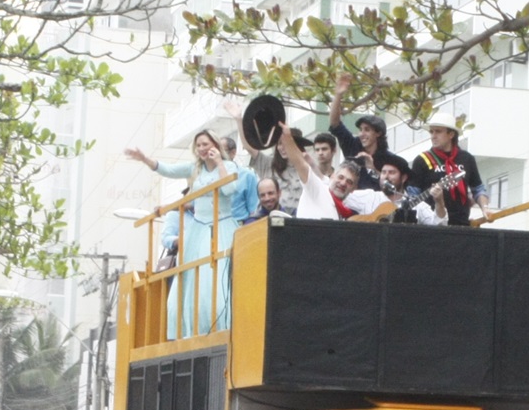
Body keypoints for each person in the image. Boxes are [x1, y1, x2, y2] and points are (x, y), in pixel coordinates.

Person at [127, 130, 256, 336]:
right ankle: (191, 328)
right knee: (190, 278)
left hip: (220, 224)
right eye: (198, 146)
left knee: (215, 278)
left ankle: (221, 325)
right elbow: (168, 169)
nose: (202, 149)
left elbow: (229, 190)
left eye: (205, 144)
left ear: (215, 144)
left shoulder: (230, 166)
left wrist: (220, 164)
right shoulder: (195, 168)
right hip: (198, 227)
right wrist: (145, 159)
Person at [278, 125, 386, 220]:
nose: (343, 183)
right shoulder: (318, 189)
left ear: (353, 189)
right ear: (332, 176)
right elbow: (300, 164)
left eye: (349, 182)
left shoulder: (345, 211)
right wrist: (287, 139)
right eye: (340, 177)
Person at [410, 110, 491, 226]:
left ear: (451, 134)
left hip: (461, 224)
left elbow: (478, 189)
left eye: (438, 132)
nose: (433, 136)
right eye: (431, 132)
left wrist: (485, 207)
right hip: (430, 226)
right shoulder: (422, 160)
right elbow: (412, 196)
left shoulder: (467, 159)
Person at [328, 73, 405, 190]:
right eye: (361, 130)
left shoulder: (389, 159)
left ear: (378, 133)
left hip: (375, 206)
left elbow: (392, 189)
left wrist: (371, 168)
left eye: (367, 130)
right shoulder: (353, 146)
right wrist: (338, 95)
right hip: (349, 202)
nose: (362, 134)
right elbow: (335, 123)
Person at [376, 156, 446, 225]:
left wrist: (439, 202)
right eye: (383, 172)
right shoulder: (369, 197)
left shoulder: (418, 206)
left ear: (403, 178)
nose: (386, 176)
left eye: (391, 172)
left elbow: (440, 227)